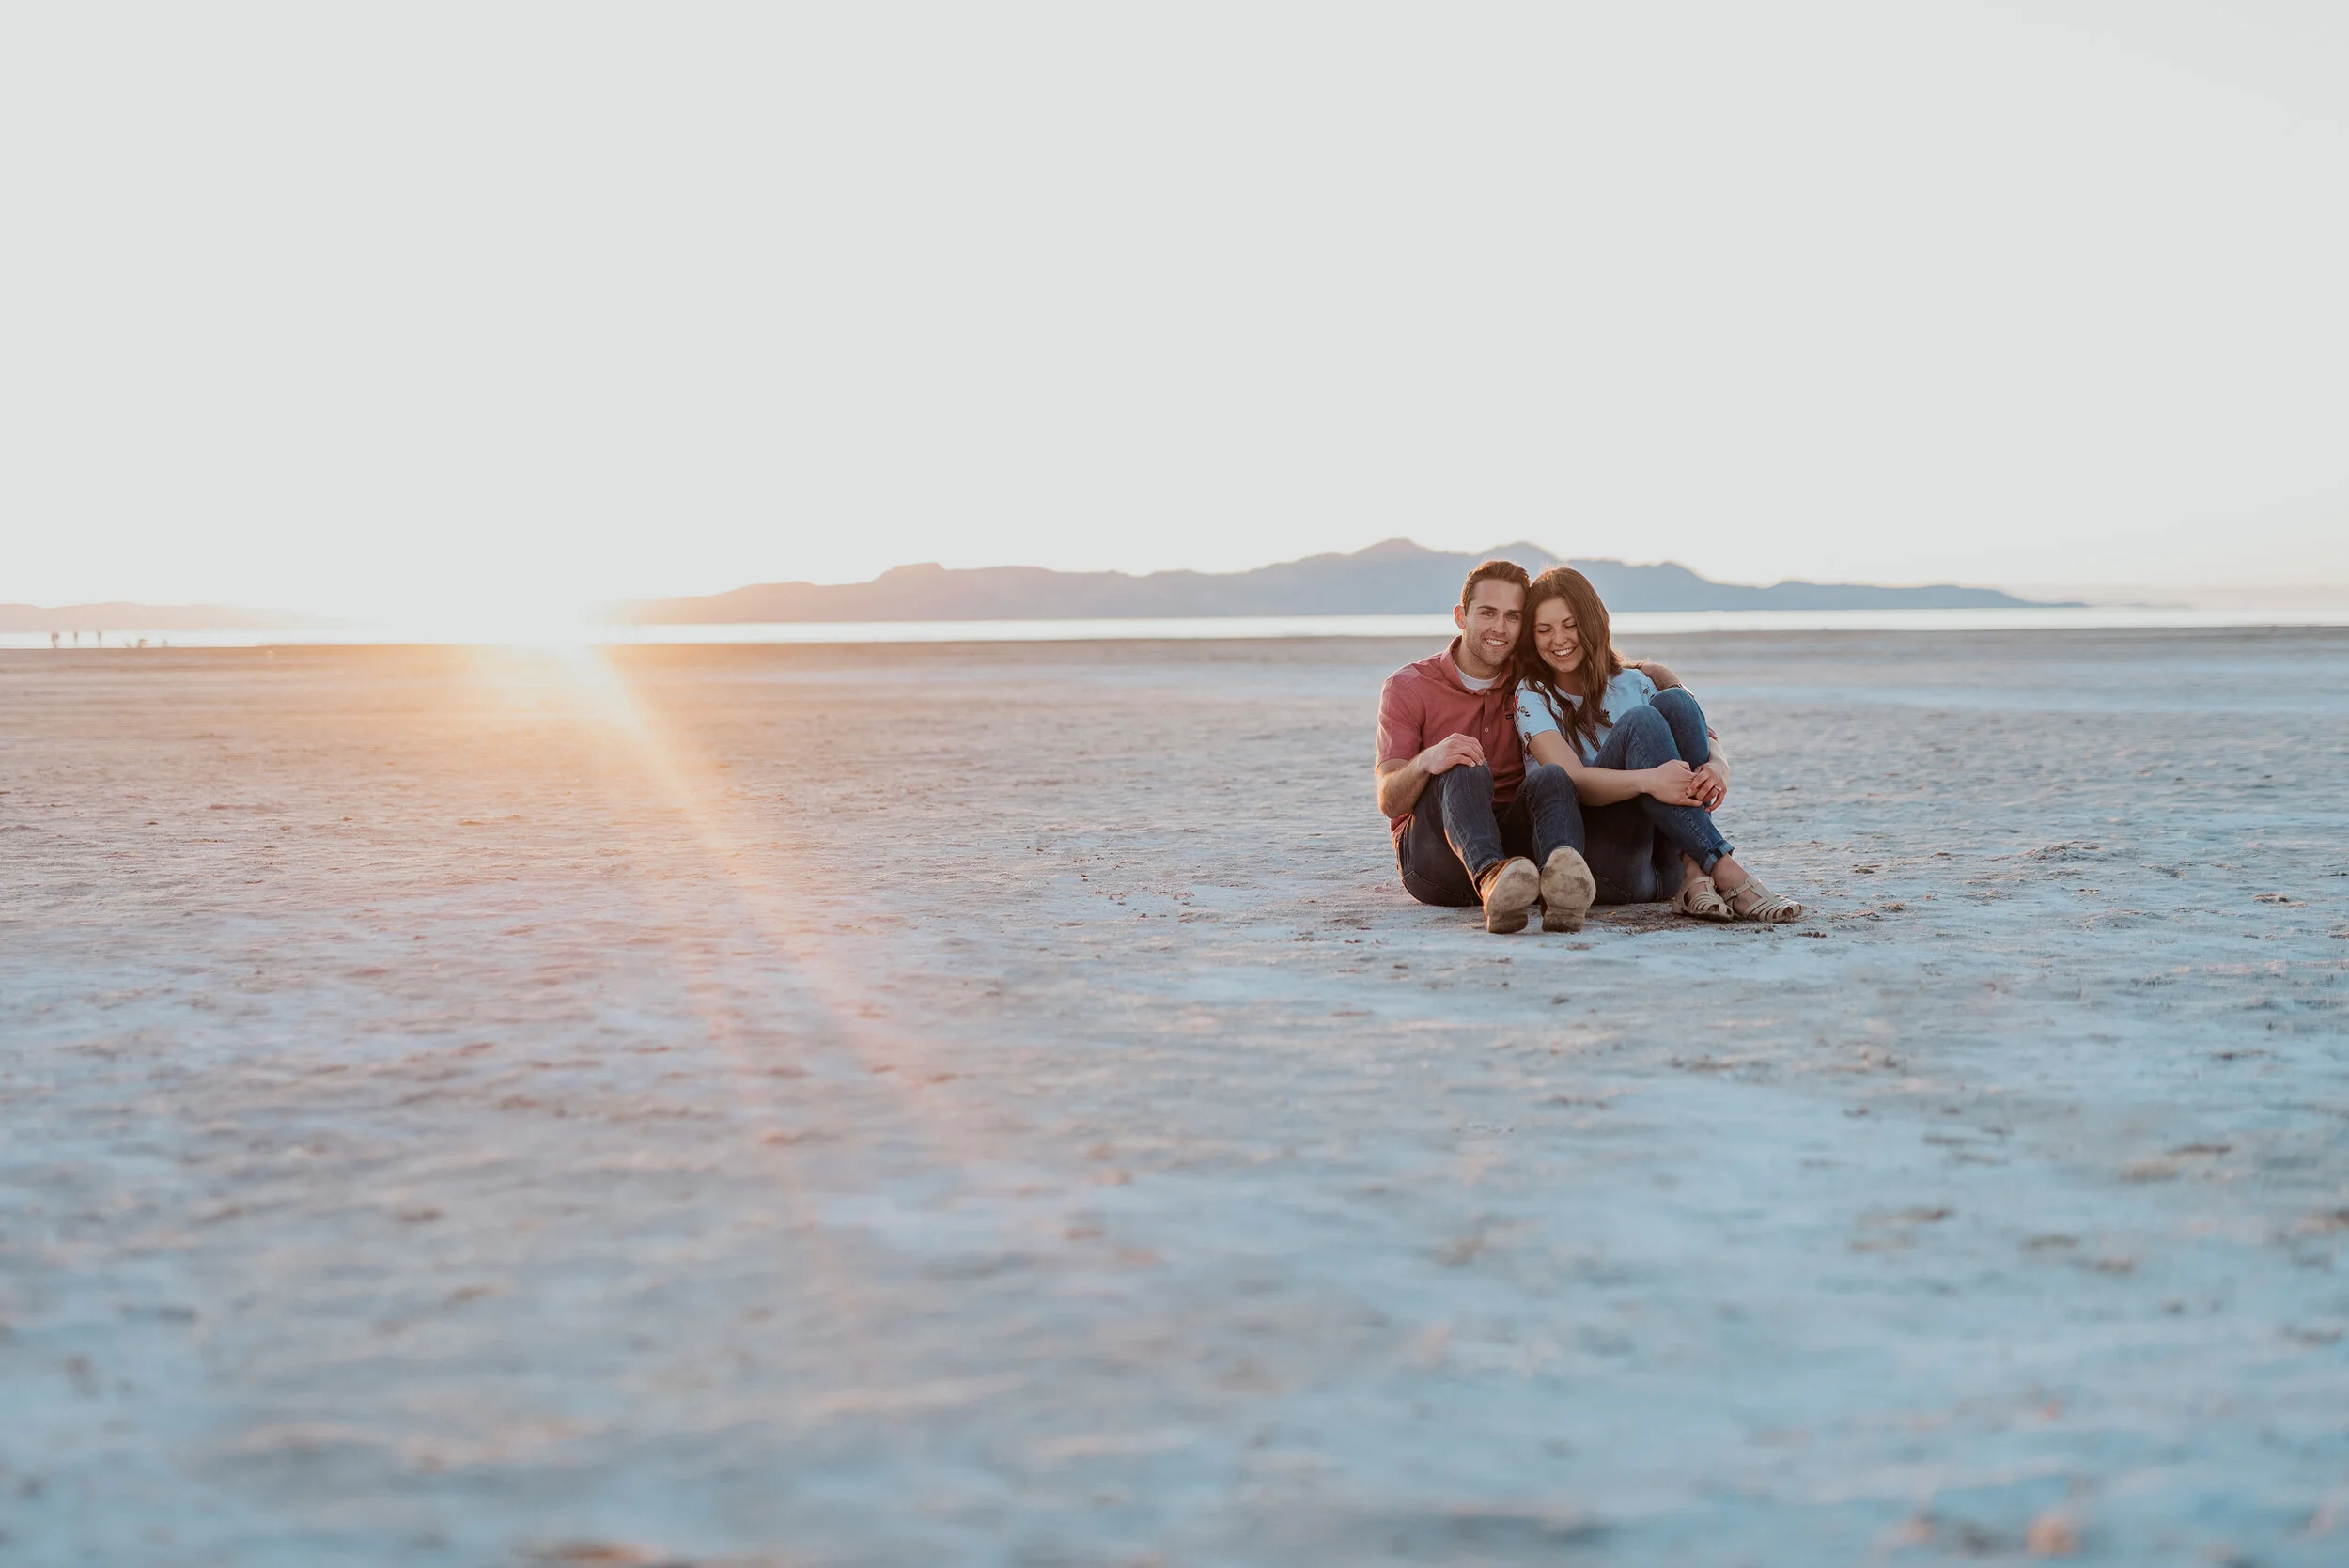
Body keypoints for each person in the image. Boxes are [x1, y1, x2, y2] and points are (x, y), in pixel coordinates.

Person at [1512, 566, 1802, 922]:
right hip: (1607, 867)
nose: (1559, 639)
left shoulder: (1636, 683)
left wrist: (1718, 765)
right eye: (1544, 630)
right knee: (1641, 721)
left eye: (1570, 625)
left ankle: (1695, 871)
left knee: (1676, 702)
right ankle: (1724, 868)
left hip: (1665, 871)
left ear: (1593, 622)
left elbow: (1699, 731)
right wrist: (1649, 781)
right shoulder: (1533, 695)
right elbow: (1574, 780)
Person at [1374, 560, 1596, 934]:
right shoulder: (1408, 686)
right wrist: (1428, 761)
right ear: (1461, 616)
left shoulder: (1532, 679)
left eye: (1513, 617)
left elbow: (1610, 671)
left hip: (1517, 855)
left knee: (1553, 777)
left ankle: (1561, 891)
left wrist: (1664, 679)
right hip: (1435, 859)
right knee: (1463, 760)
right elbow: (1389, 801)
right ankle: (1492, 880)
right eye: (1488, 613)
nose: (1500, 628)